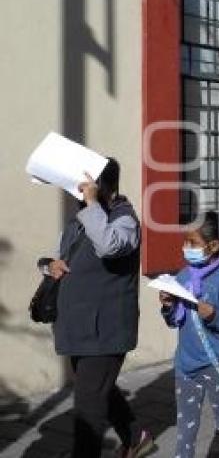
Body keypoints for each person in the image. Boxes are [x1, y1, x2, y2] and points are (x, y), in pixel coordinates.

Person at [40, 158, 152, 458]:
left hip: (106, 327)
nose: (79, 190)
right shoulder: (81, 218)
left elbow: (109, 246)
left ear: (103, 185)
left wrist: (91, 204)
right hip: (78, 324)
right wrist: (50, 265)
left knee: (88, 407)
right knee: (98, 388)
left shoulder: (124, 219)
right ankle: (136, 436)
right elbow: (61, 255)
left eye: (86, 184)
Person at [159, 213, 219, 458]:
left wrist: (215, 315)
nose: (186, 248)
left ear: (213, 246)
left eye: (192, 243)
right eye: (185, 242)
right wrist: (168, 306)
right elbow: (174, 322)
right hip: (185, 364)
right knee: (185, 430)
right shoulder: (182, 275)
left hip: (217, 364)